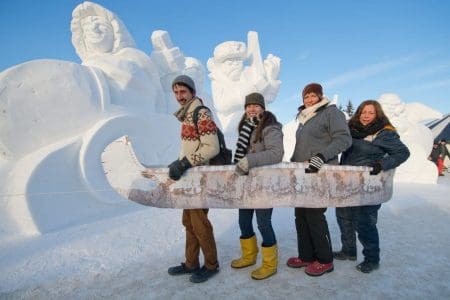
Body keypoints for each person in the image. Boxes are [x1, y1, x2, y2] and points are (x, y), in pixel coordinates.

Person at [334, 100, 410, 273]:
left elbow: (403, 153)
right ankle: (348, 251)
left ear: (378, 115)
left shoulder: (384, 133)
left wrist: (382, 164)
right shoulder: (351, 130)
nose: (366, 116)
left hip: (369, 185)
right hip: (346, 183)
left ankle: (372, 259)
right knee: (344, 216)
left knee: (365, 222)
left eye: (370, 113)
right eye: (363, 112)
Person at [286, 83, 352, 276]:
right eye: (306, 96)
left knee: (315, 216)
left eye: (313, 95)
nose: (309, 99)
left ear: (321, 96)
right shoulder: (305, 117)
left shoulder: (331, 112)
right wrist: (292, 164)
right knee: (301, 216)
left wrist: (322, 156)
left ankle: (325, 260)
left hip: (320, 173)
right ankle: (306, 256)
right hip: (303, 174)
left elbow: (344, 139)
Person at [166, 75, 220, 283]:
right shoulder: (187, 114)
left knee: (199, 223)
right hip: (189, 177)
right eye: (176, 92)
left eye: (183, 92)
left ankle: (211, 265)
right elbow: (192, 146)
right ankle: (191, 263)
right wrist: (179, 162)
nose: (179, 96)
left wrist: (185, 163)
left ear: (192, 93)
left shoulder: (201, 112)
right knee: (188, 221)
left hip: (200, 178)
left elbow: (211, 147)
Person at [231, 93, 284, 280]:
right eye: (248, 106)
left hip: (263, 186)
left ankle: (270, 264)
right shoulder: (245, 127)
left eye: (256, 105)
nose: (251, 109)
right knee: (243, 221)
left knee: (263, 223)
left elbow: (276, 154)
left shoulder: (271, 128)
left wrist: (248, 160)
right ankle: (249, 256)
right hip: (245, 184)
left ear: (263, 108)